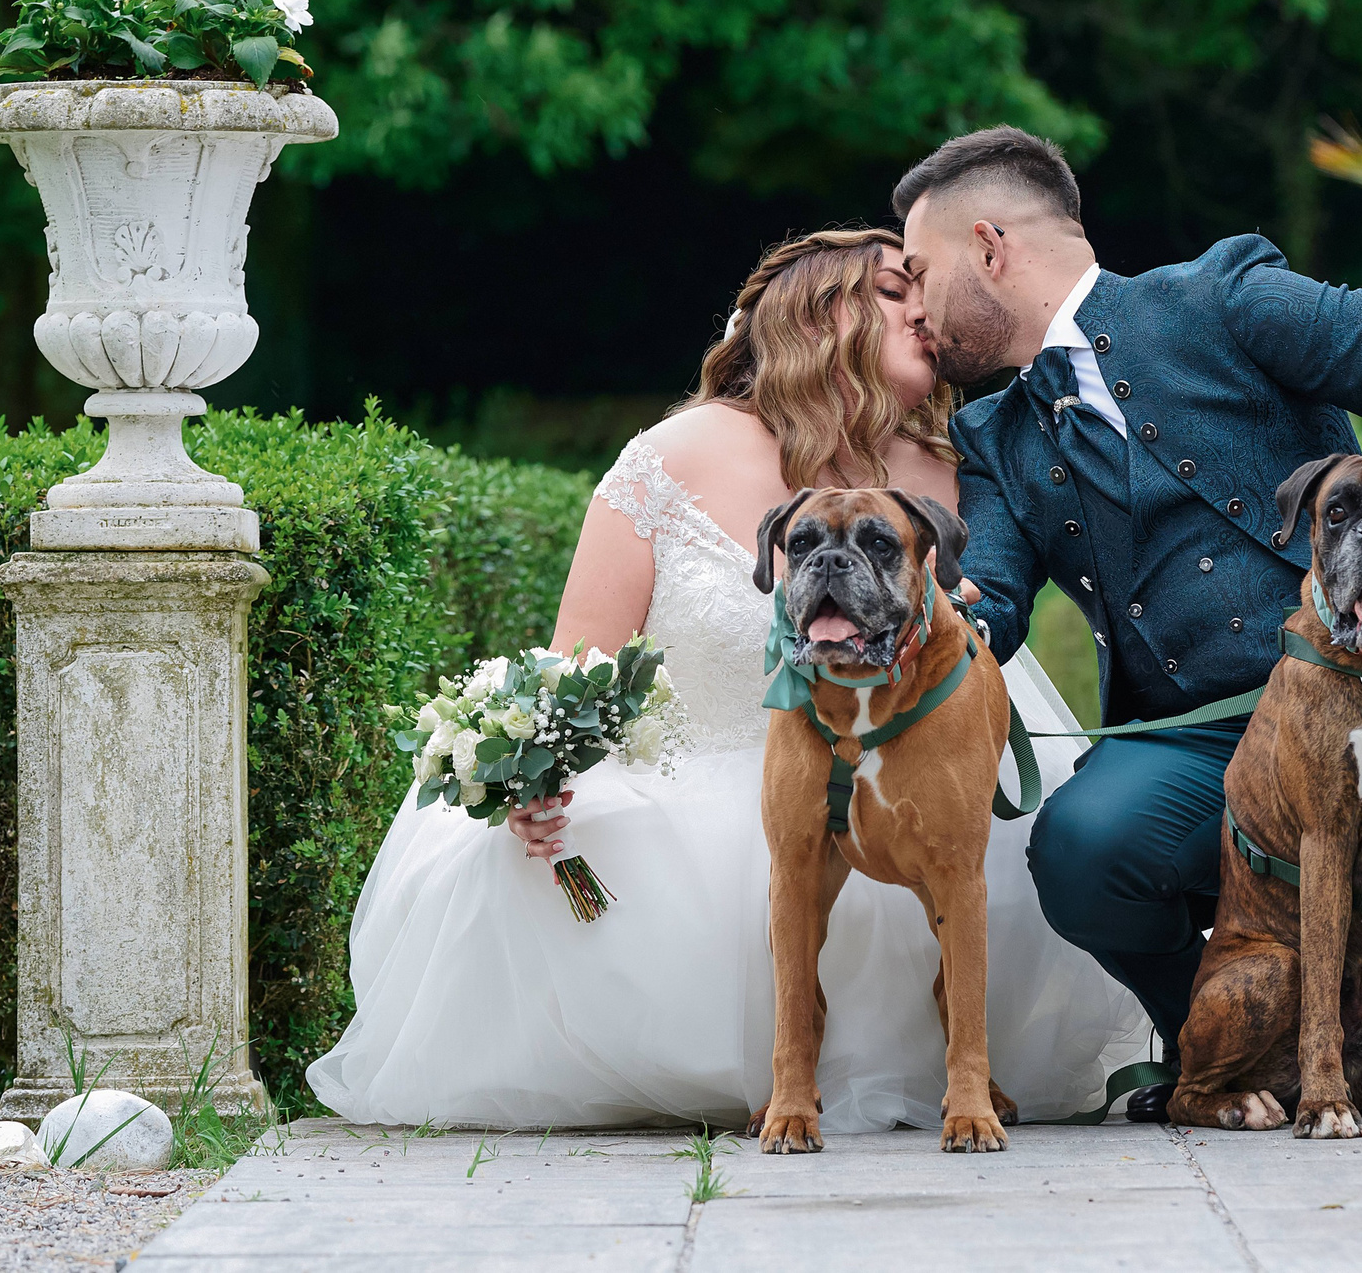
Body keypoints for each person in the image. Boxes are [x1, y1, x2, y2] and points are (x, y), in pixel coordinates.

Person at [307, 228, 1148, 1131]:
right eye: (899, 293)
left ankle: (956, 1060)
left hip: (917, 787)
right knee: (576, 859)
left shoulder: (953, 465)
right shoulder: (676, 452)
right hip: (701, 796)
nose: (928, 313)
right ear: (827, 314)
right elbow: (578, 665)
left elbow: (992, 631)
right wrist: (535, 768)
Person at [896, 128, 1362, 1118]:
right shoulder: (990, 437)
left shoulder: (1221, 292)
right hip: (1208, 742)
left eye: (918, 271)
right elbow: (988, 596)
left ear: (989, 246)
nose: (913, 302)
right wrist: (941, 620)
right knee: (1083, 850)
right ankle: (1212, 1043)